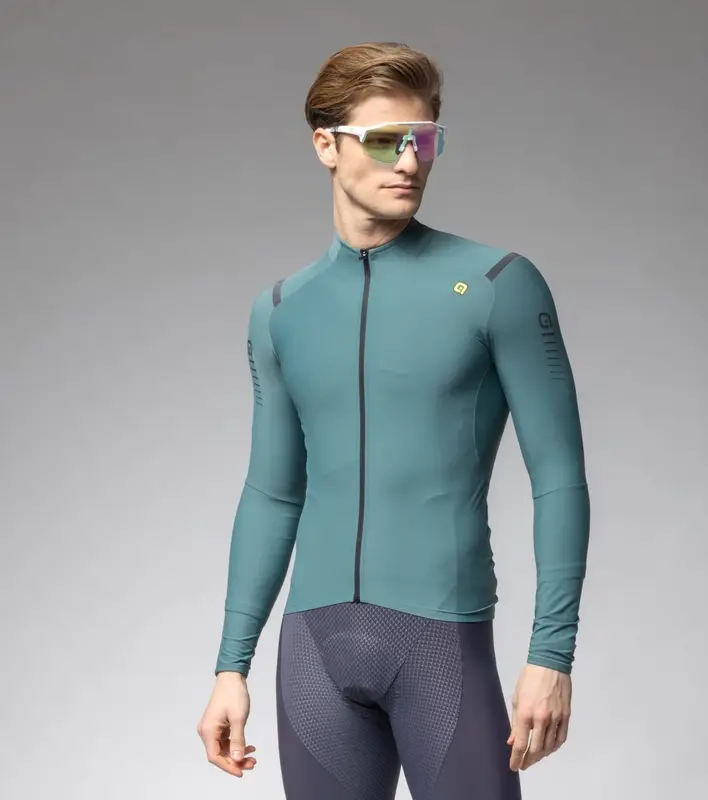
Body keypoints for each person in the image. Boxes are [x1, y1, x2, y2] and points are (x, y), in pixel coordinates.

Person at [196, 41, 591, 799]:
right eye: (385, 140)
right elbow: (272, 494)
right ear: (326, 146)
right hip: (313, 652)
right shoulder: (280, 311)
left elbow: (559, 477)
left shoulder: (497, 285)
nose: (410, 160)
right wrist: (230, 666)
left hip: (440, 642)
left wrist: (552, 654)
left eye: (424, 140)